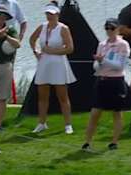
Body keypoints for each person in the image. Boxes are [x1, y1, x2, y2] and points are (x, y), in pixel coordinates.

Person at [83, 18, 131, 152]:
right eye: (107, 28)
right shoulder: (102, 44)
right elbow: (96, 65)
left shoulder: (123, 45)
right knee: (95, 112)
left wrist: (103, 60)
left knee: (116, 112)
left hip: (116, 81)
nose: (109, 31)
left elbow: (120, 65)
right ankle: (87, 142)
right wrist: (98, 63)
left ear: (117, 29)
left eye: (112, 28)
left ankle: (114, 142)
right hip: (102, 80)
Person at [29, 3, 76, 134]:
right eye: (47, 14)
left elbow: (70, 48)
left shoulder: (63, 28)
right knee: (42, 95)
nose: (49, 16)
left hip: (59, 64)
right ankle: (42, 123)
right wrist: (36, 52)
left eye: (52, 14)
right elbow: (32, 39)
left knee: (62, 95)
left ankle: (68, 124)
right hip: (44, 63)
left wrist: (52, 51)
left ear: (57, 14)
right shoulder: (42, 27)